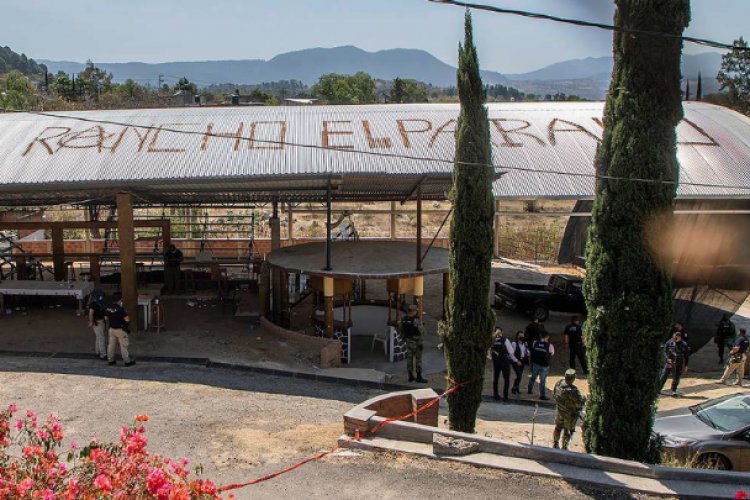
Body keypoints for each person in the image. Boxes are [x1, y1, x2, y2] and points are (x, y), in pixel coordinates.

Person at [553, 369, 586, 450]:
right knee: (567, 431)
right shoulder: (573, 391)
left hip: (559, 411)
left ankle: (555, 444)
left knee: (558, 428)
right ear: (573, 379)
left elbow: (554, 394)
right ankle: (564, 447)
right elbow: (579, 404)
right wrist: (584, 399)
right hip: (569, 415)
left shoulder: (558, 384)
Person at [490, 325, 521, 402]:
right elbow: (511, 352)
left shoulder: (492, 340)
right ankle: (505, 396)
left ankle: (495, 395)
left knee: (495, 378)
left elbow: (488, 352)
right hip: (505, 361)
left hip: (496, 362)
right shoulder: (505, 340)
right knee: (506, 379)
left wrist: (493, 358)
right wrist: (516, 360)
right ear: (502, 332)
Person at [105, 292, 135, 367]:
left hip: (111, 329)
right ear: (119, 300)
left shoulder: (109, 307)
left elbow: (105, 318)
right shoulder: (121, 309)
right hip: (120, 330)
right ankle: (127, 361)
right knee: (123, 346)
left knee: (111, 345)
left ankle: (110, 360)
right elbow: (127, 319)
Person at [399, 305, 427, 383]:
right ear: (413, 311)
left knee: (409, 359)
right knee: (418, 360)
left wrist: (405, 338)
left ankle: (410, 377)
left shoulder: (403, 319)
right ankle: (418, 377)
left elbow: (400, 330)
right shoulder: (416, 320)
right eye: (416, 311)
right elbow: (423, 332)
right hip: (417, 342)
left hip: (408, 342)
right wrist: (421, 342)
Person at [659, 330, 689, 396]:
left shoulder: (684, 344)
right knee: (664, 375)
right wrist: (667, 358)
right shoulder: (670, 342)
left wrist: (686, 365)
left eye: (677, 337)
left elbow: (686, 355)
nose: (675, 338)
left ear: (680, 337)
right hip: (670, 362)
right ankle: (658, 389)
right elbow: (665, 351)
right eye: (674, 337)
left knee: (676, 377)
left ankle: (673, 390)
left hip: (678, 362)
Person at [527, 330, 555, 400]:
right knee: (542, 380)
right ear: (547, 337)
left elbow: (532, 351)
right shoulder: (550, 345)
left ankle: (529, 390)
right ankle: (542, 395)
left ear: (540, 336)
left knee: (533, 377)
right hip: (544, 365)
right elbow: (552, 353)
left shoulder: (535, 343)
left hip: (536, 363)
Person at [87, 288, 107, 360]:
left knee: (98, 337)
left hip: (99, 321)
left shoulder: (95, 302)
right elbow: (90, 313)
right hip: (98, 322)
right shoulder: (94, 303)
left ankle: (97, 351)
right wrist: (91, 321)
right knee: (101, 338)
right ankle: (103, 354)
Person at [511, 331, 529, 395]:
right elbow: (511, 354)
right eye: (520, 336)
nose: (521, 337)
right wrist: (516, 361)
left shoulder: (524, 344)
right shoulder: (514, 344)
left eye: (522, 336)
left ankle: (517, 388)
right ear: (517, 336)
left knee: (520, 376)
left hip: (522, 361)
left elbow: (527, 353)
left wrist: (527, 351)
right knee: (518, 375)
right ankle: (514, 388)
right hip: (516, 361)